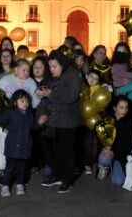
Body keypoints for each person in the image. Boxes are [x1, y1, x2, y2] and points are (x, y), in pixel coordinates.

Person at [37, 50, 82, 194]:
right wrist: (42, 113)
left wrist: (52, 94)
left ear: (62, 64)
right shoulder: (52, 77)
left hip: (68, 120)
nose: (52, 69)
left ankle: (67, 180)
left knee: (67, 151)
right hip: (53, 120)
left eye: (55, 66)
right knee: (55, 151)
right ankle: (57, 175)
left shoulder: (73, 75)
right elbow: (45, 98)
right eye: (50, 66)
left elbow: (71, 96)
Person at [0, 89, 34, 197]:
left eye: (26, 101)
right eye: (22, 101)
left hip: (25, 147)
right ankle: (5, 185)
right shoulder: (11, 113)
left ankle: (20, 184)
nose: (25, 103)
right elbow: (1, 119)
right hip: (12, 147)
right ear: (15, 103)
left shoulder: (29, 114)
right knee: (9, 168)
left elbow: (33, 127)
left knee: (22, 168)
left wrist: (40, 122)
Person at [97, 96, 132, 187]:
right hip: (108, 152)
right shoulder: (107, 120)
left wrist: (114, 153)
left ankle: (113, 166)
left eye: (126, 108)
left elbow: (129, 145)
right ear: (115, 108)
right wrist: (104, 148)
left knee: (118, 182)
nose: (124, 111)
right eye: (121, 108)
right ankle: (104, 165)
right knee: (104, 158)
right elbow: (101, 138)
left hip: (120, 156)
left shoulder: (130, 123)